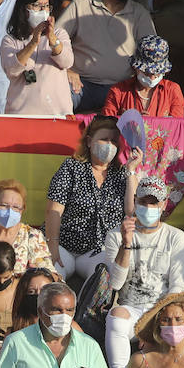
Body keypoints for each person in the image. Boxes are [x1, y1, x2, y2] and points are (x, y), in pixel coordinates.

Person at [101, 175, 184, 368]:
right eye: (143, 201)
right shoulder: (115, 235)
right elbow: (114, 283)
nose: (148, 207)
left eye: (154, 202)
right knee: (116, 318)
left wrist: (153, 327)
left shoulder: (176, 237)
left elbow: (178, 287)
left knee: (178, 330)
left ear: (164, 204)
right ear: (134, 200)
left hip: (164, 310)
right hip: (130, 308)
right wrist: (126, 244)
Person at [57, 0, 157, 112]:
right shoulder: (82, 4)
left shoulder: (139, 13)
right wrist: (67, 70)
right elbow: (54, 41)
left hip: (123, 87)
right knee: (59, 100)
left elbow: (152, 54)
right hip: (81, 83)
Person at [44, 117, 136, 279]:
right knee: (52, 277)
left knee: (104, 279)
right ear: (89, 141)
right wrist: (52, 247)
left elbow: (131, 211)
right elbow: (53, 210)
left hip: (97, 251)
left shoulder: (122, 174)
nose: (109, 145)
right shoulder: (71, 167)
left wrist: (131, 171)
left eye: (114, 141)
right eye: (104, 139)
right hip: (64, 246)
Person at [0, 0, 73, 115]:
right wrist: (34, 42)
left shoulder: (59, 34)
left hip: (57, 114)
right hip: (21, 115)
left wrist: (51, 37)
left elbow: (67, 61)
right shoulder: (10, 40)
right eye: (37, 5)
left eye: (46, 6)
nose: (42, 10)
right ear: (24, 9)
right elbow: (12, 70)